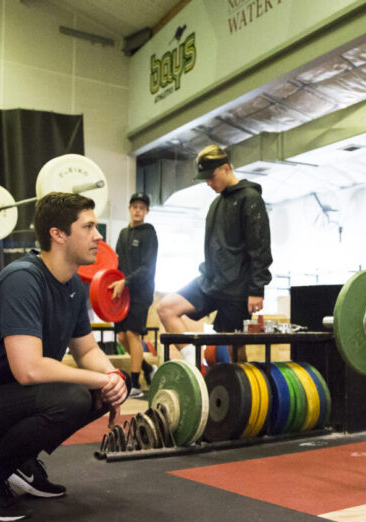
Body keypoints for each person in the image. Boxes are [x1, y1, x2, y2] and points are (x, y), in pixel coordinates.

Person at [0, 192, 128, 522]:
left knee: (99, 392)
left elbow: (88, 350)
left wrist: (114, 379)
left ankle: (19, 464)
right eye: (89, 227)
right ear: (58, 234)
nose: (99, 236)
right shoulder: (24, 279)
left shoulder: (73, 287)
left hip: (7, 402)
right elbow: (29, 369)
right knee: (73, 397)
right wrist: (99, 379)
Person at [157, 145, 272, 355]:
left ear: (227, 168)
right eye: (205, 179)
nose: (209, 183)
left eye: (212, 176)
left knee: (234, 353)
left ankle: (243, 387)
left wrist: (257, 290)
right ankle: (194, 363)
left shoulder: (250, 199)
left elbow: (260, 247)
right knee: (166, 308)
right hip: (210, 281)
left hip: (237, 289)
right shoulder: (216, 204)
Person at [110, 192, 158, 399]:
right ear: (129, 209)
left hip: (141, 292)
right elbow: (116, 263)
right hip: (123, 293)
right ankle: (147, 368)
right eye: (134, 207)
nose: (138, 210)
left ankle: (136, 383)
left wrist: (126, 282)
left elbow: (148, 267)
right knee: (122, 337)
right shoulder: (123, 234)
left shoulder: (149, 233)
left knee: (132, 334)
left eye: (142, 207)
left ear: (146, 211)